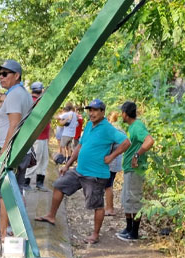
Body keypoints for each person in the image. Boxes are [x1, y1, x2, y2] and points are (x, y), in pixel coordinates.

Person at [35, 99, 130, 245]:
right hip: (79, 171)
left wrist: (111, 157)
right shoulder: (89, 125)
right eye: (90, 110)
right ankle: (51, 215)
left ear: (102, 112)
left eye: (95, 110)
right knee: (59, 185)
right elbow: (79, 146)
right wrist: (67, 165)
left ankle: (95, 234)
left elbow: (126, 142)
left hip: (96, 175)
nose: (91, 113)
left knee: (97, 205)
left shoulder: (108, 128)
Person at [0, 59, 33, 243]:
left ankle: (1, 233)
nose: (1, 77)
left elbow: (14, 124)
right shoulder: (21, 94)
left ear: (16, 76)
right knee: (16, 191)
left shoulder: (15, 95)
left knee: (5, 194)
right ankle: (14, 230)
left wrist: (3, 154)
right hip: (20, 150)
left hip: (12, 152)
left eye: (5, 74)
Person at [116, 101, 155, 242]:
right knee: (127, 199)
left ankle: (134, 232)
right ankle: (128, 228)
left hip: (135, 169)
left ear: (125, 114)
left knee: (134, 199)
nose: (121, 115)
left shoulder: (137, 126)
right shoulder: (132, 127)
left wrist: (137, 155)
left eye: (122, 113)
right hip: (128, 169)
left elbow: (149, 141)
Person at [25, 81, 50, 191]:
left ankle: (40, 183)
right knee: (36, 160)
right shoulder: (34, 101)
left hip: (43, 136)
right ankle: (26, 181)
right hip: (38, 136)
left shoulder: (39, 101)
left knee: (44, 160)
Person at [104, 110, 124, 216]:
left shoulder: (112, 130)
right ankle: (109, 207)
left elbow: (109, 146)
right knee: (109, 184)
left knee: (108, 186)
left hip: (111, 162)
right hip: (117, 162)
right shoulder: (120, 129)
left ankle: (109, 208)